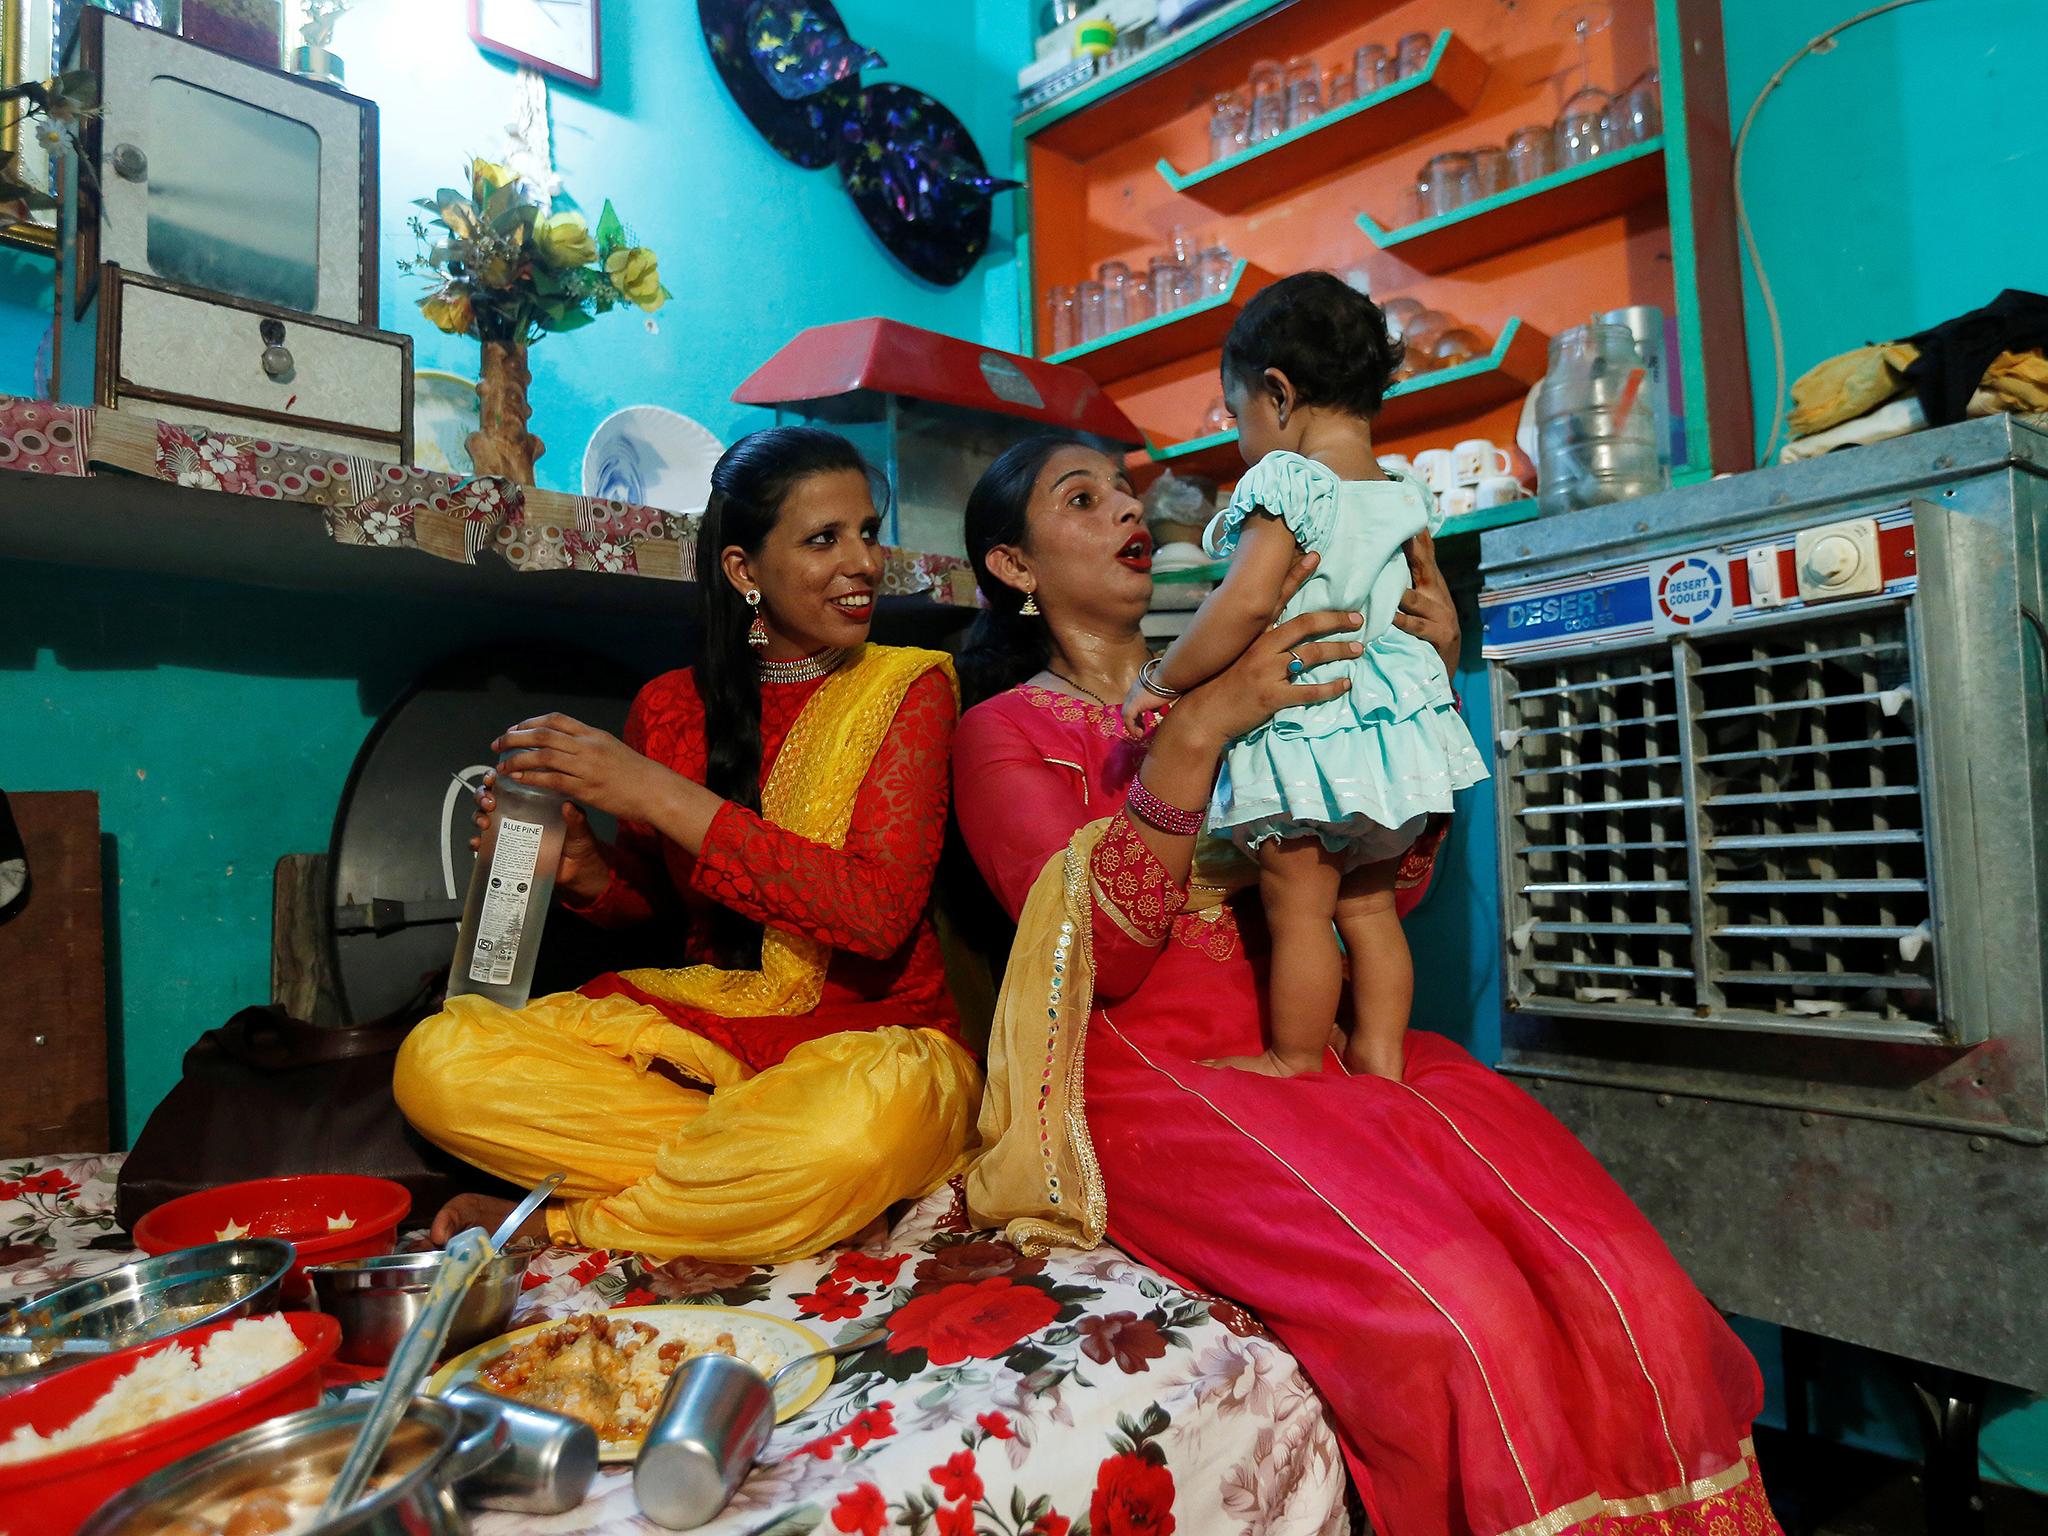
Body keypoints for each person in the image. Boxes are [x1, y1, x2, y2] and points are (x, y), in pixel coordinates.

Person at [950, 437, 1780, 1536]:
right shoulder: (1004, 733)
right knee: (1459, 1311)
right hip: (1152, 1079)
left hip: (1312, 1044)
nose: (1125, 510)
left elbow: (1390, 889)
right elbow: (1105, 960)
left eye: (1126, 490)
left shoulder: (1260, 659)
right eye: (1081, 498)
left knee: (1622, 1281)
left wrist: (1420, 688)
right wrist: (1197, 728)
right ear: (1012, 568)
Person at [394, 426, 981, 1262]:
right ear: (744, 571)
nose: (863, 563)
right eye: (825, 539)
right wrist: (587, 867)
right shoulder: (668, 707)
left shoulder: (911, 686)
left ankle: (562, 1220)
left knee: (853, 1137)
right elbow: (662, 909)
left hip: (875, 1048)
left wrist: (654, 792)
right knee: (438, 1063)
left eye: (867, 532)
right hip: (709, 1036)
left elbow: (876, 915)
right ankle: (766, 1194)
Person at [1120, 273, 1488, 1078]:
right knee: (1371, 909)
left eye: (1235, 410)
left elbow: (1245, 603)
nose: (1240, 434)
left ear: (1278, 394)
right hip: (1399, 747)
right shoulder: (1405, 495)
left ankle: (1293, 1057)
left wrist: (1163, 677)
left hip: (1313, 733)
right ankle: (1382, 1060)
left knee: (1300, 908)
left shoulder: (1289, 483)